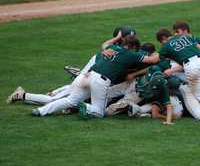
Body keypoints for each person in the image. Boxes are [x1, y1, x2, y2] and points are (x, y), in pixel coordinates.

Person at [29, 34, 158, 118]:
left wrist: (117, 37)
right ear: (133, 46)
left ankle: (40, 111)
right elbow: (152, 60)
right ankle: (85, 106)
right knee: (99, 111)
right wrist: (161, 51)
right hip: (100, 81)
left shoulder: (112, 47)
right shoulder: (130, 54)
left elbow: (104, 44)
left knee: (69, 101)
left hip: (86, 75)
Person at [7, 26, 136, 106]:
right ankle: (22, 95)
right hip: (81, 83)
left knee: (53, 98)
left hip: (85, 81)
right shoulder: (111, 55)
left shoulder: (111, 52)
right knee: (53, 100)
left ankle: (26, 97)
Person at [155, 28, 200, 101]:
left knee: (198, 96)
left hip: (191, 67)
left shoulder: (166, 46)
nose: (162, 44)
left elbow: (157, 59)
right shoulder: (185, 37)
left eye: (161, 42)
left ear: (163, 38)